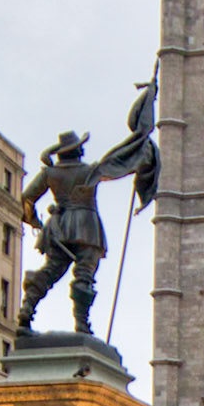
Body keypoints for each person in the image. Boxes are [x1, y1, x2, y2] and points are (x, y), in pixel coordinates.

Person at [17, 73, 160, 336]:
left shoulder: (50, 173)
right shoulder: (90, 170)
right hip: (86, 227)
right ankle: (81, 324)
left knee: (51, 269)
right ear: (77, 150)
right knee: (84, 274)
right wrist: (142, 150)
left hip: (59, 227)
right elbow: (122, 161)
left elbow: (26, 198)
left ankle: (26, 310)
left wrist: (35, 221)